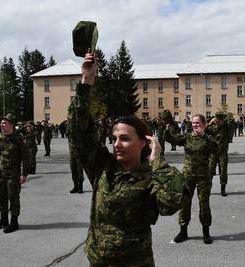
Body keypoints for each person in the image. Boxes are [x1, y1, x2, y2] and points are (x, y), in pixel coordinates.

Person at [67, 52, 183, 266]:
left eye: (125, 139)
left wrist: (157, 160)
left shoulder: (151, 176)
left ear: (143, 143)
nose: (117, 144)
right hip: (98, 260)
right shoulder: (103, 167)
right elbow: (78, 132)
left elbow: (171, 203)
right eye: (114, 138)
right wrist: (86, 81)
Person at [165, 114, 218, 244]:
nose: (195, 125)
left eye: (198, 123)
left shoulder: (208, 138)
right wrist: (168, 127)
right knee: (184, 203)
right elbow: (171, 139)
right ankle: (183, 231)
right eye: (194, 123)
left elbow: (216, 149)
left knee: (204, 204)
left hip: (203, 177)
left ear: (204, 124)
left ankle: (206, 232)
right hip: (188, 175)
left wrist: (204, 136)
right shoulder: (187, 137)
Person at [0, 114, 29, 233]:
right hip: (1, 172)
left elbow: (25, 158)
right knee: (1, 197)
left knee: (13, 197)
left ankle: (14, 222)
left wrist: (24, 174)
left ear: (11, 125)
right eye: (1, 123)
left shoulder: (19, 138)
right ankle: (3, 220)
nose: (2, 125)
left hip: (14, 174)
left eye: (4, 123)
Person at [207, 113, 231, 196]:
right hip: (213, 153)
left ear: (222, 121)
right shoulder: (212, 127)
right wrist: (210, 123)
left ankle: (223, 190)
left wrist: (223, 121)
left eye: (219, 120)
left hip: (223, 153)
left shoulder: (226, 127)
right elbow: (204, 130)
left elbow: (229, 124)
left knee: (223, 171)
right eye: (216, 120)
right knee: (209, 171)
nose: (217, 122)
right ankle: (208, 189)